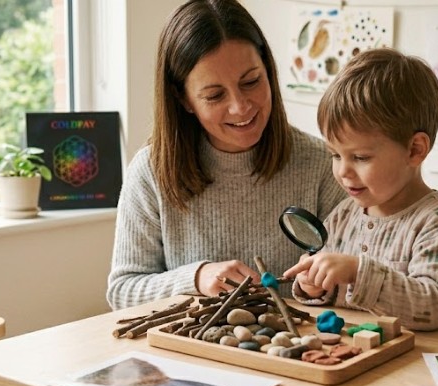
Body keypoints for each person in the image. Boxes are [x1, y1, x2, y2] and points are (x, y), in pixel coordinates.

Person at [106, 0, 346, 310]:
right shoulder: (151, 172)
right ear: (184, 99)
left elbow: (355, 279)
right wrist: (196, 278)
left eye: (251, 82)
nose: (241, 107)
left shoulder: (322, 164)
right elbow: (122, 292)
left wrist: (322, 287)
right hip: (190, 353)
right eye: (215, 95)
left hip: (295, 353)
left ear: (268, 71)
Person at [282, 48, 438, 331]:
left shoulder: (435, 222)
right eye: (335, 155)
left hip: (412, 366)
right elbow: (333, 294)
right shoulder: (344, 215)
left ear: (414, 150)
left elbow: (435, 307)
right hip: (353, 360)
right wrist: (313, 287)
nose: (343, 171)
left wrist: (358, 271)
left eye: (360, 157)